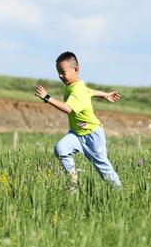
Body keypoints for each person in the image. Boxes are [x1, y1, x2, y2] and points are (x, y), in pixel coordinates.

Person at [34, 51, 122, 192]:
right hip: (77, 134)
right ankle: (73, 183)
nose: (60, 76)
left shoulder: (77, 89)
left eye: (63, 72)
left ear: (75, 70)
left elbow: (68, 109)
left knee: (103, 168)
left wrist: (47, 98)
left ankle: (119, 193)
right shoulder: (75, 86)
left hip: (93, 135)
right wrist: (105, 94)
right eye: (58, 72)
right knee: (61, 148)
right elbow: (89, 91)